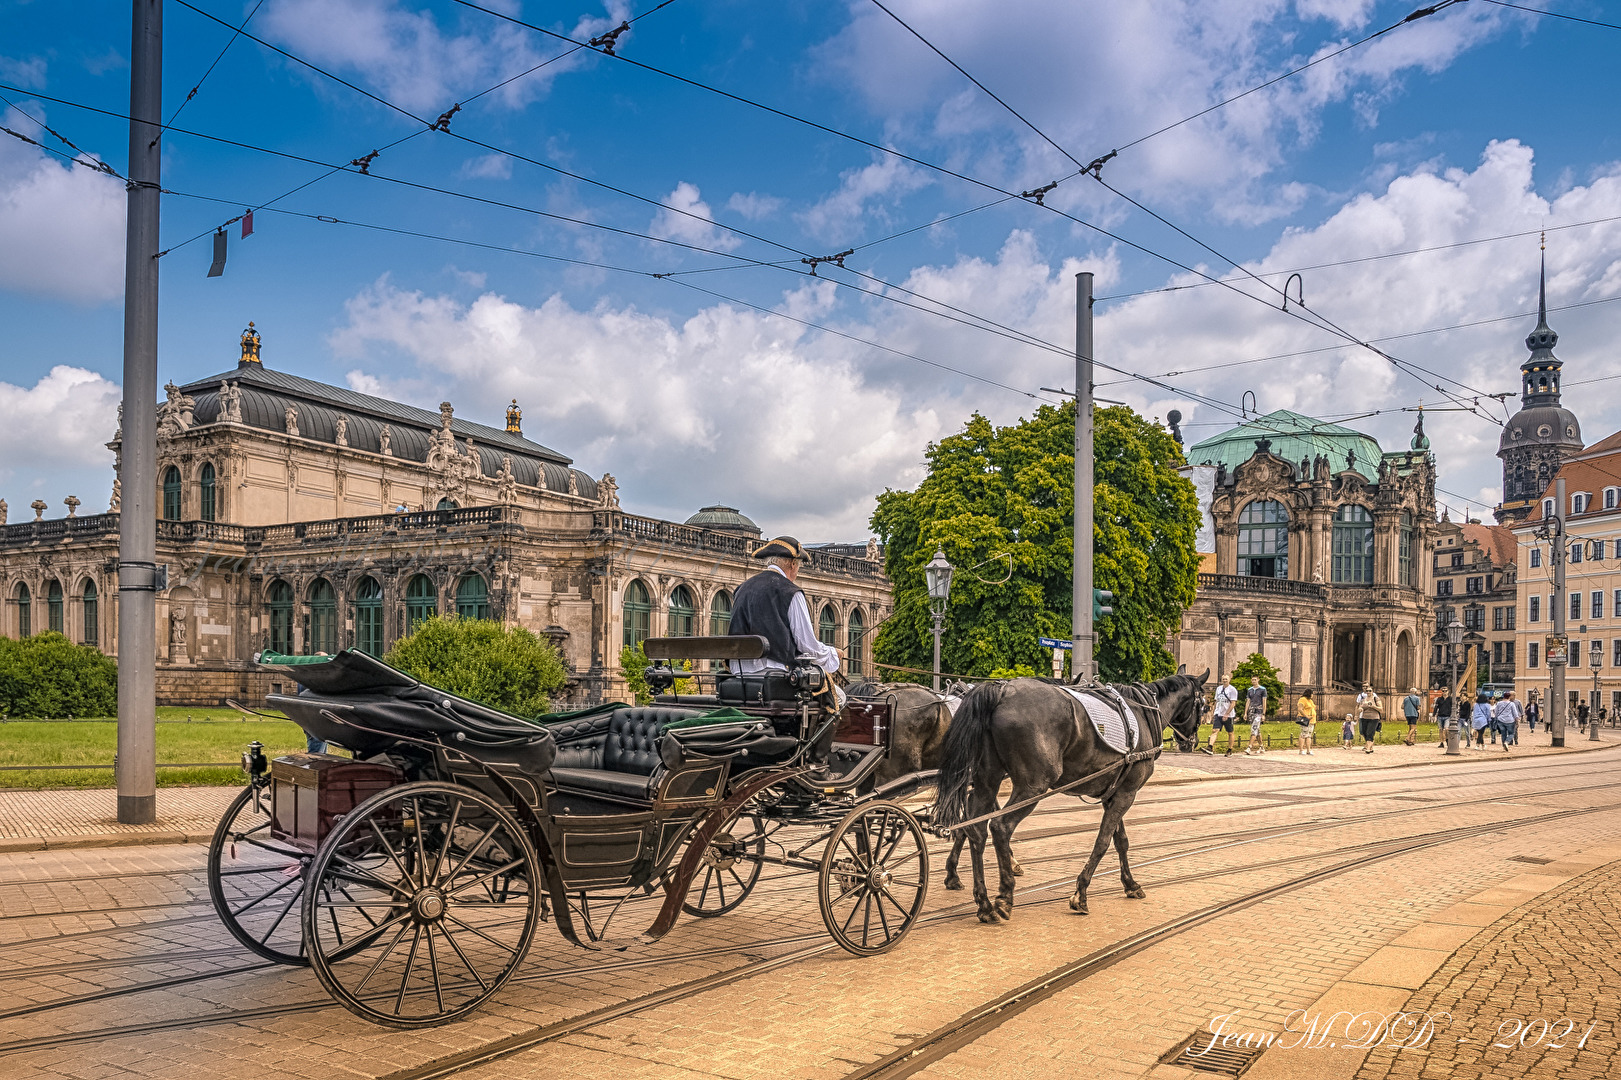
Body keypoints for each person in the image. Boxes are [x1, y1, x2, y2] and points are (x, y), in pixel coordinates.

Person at [727, 536, 842, 769]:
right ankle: (815, 763)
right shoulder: (790, 592)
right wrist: (833, 656)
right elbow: (807, 647)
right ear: (791, 564)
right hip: (774, 682)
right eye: (798, 566)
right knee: (838, 698)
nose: (797, 571)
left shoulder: (742, 589)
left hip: (739, 681)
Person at [1210, 675, 1239, 756]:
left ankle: (1230, 749)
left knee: (1230, 732)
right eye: (1223, 679)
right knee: (1215, 730)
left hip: (1228, 715)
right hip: (1218, 713)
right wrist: (1214, 711)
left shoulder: (1232, 690)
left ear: (1229, 680)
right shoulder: (1219, 688)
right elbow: (1216, 701)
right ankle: (1210, 747)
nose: (1224, 680)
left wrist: (1227, 714)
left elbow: (1233, 703)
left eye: (1226, 679)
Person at [1243, 676, 1268, 755]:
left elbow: (1264, 701)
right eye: (1252, 680)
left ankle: (1249, 747)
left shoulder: (1262, 689)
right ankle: (1261, 746)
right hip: (1251, 711)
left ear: (1258, 680)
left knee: (1254, 729)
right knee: (1257, 730)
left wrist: (1263, 713)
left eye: (1255, 680)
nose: (1253, 681)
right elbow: (1248, 701)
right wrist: (1245, 712)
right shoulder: (1250, 690)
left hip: (1259, 711)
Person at [1355, 683, 1382, 754]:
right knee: (1364, 732)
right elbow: (1360, 706)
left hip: (1374, 718)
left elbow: (1381, 709)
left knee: (1370, 732)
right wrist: (1360, 710)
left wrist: (1373, 706)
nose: (1368, 692)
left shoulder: (1376, 698)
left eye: (1370, 690)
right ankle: (1370, 746)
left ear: (1372, 691)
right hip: (1364, 717)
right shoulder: (1363, 699)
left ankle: (1368, 748)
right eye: (1367, 691)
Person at [1296, 688, 1317, 755]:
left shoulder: (1310, 700)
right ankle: (1301, 750)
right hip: (1305, 719)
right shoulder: (1302, 699)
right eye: (1312, 693)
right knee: (1303, 734)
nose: (1313, 695)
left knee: (1309, 735)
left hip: (1312, 720)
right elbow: (1300, 709)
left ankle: (1308, 750)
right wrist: (1306, 716)